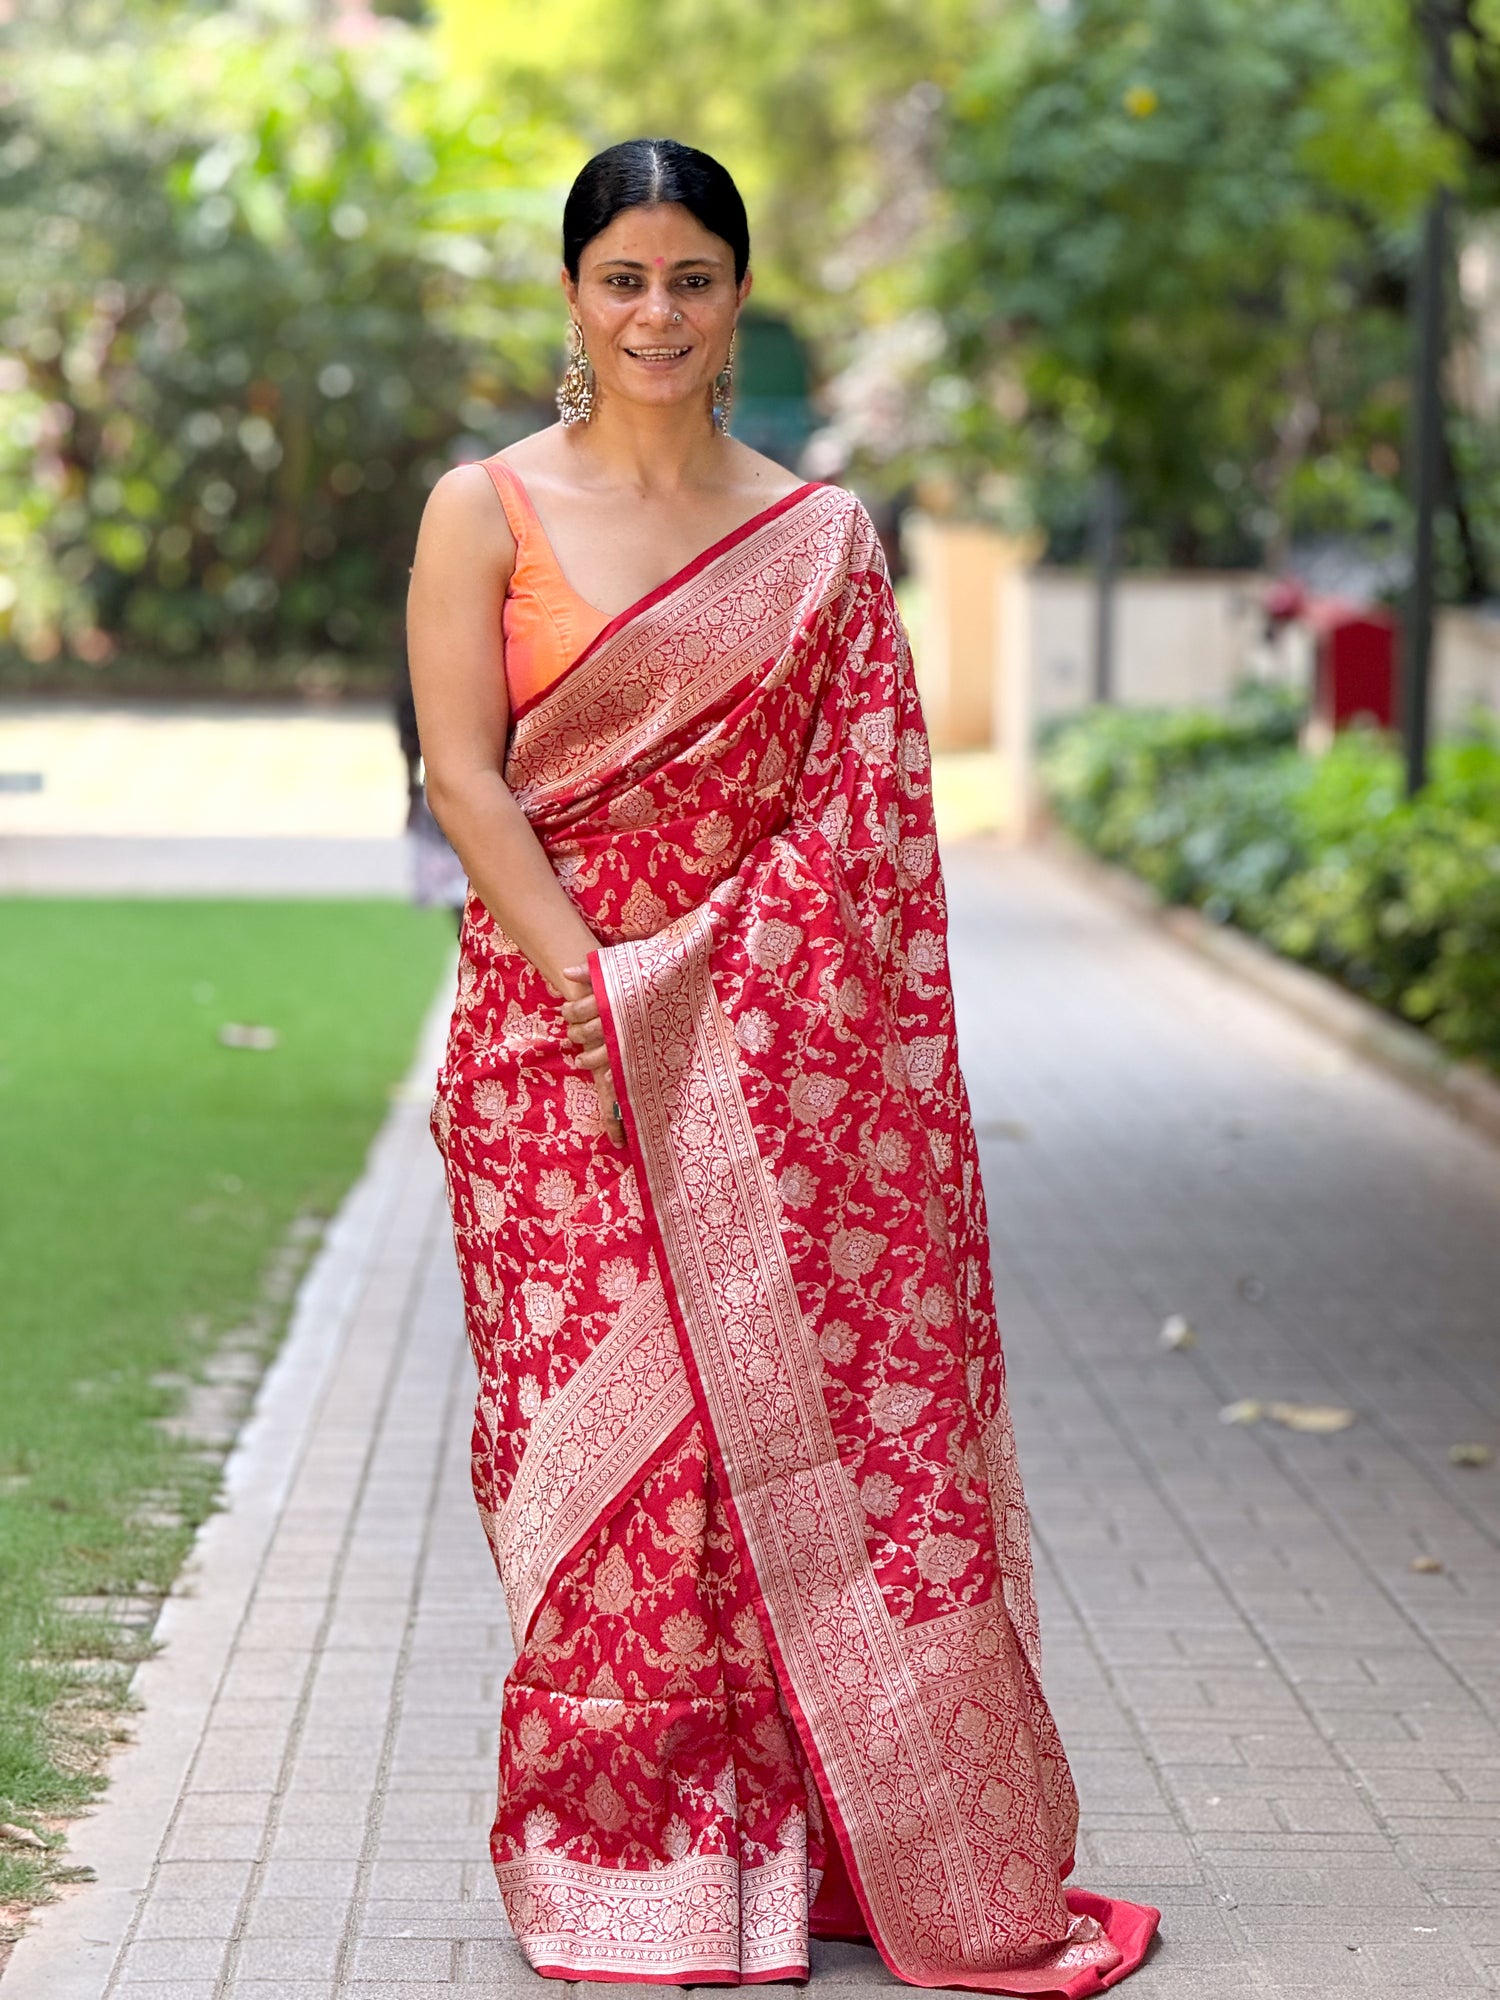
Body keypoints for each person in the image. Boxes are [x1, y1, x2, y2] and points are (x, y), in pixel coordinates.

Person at [406, 137, 1159, 1994]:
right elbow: (462, 774)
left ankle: (798, 1838)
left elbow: (865, 832)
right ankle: (625, 1854)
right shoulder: (481, 510)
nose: (657, 315)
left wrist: (699, 994)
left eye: (692, 279)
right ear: (572, 297)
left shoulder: (817, 541)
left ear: (739, 297)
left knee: (758, 1471)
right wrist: (602, 987)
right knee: (595, 1475)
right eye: (623, 280)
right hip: (546, 1065)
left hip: (759, 1068)